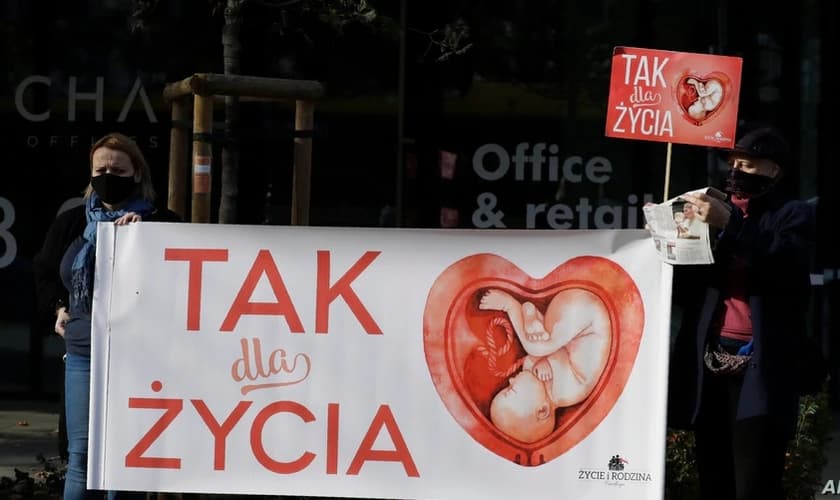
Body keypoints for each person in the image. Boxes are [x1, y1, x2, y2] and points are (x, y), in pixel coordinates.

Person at [666, 123, 817, 500]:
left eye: (748, 165)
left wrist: (730, 225)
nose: (736, 172)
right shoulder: (711, 211)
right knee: (713, 478)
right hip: (710, 364)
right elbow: (688, 293)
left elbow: (782, 262)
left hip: (760, 369)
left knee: (754, 482)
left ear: (774, 171)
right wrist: (671, 238)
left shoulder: (791, 214)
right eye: (733, 162)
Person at [33, 132, 182, 500]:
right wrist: (57, 308)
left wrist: (143, 240)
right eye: (101, 168)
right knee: (82, 457)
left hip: (141, 355)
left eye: (118, 168)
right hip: (84, 352)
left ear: (136, 173)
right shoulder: (72, 221)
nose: (108, 174)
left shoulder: (162, 221)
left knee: (126, 455)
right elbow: (45, 270)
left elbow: (179, 281)